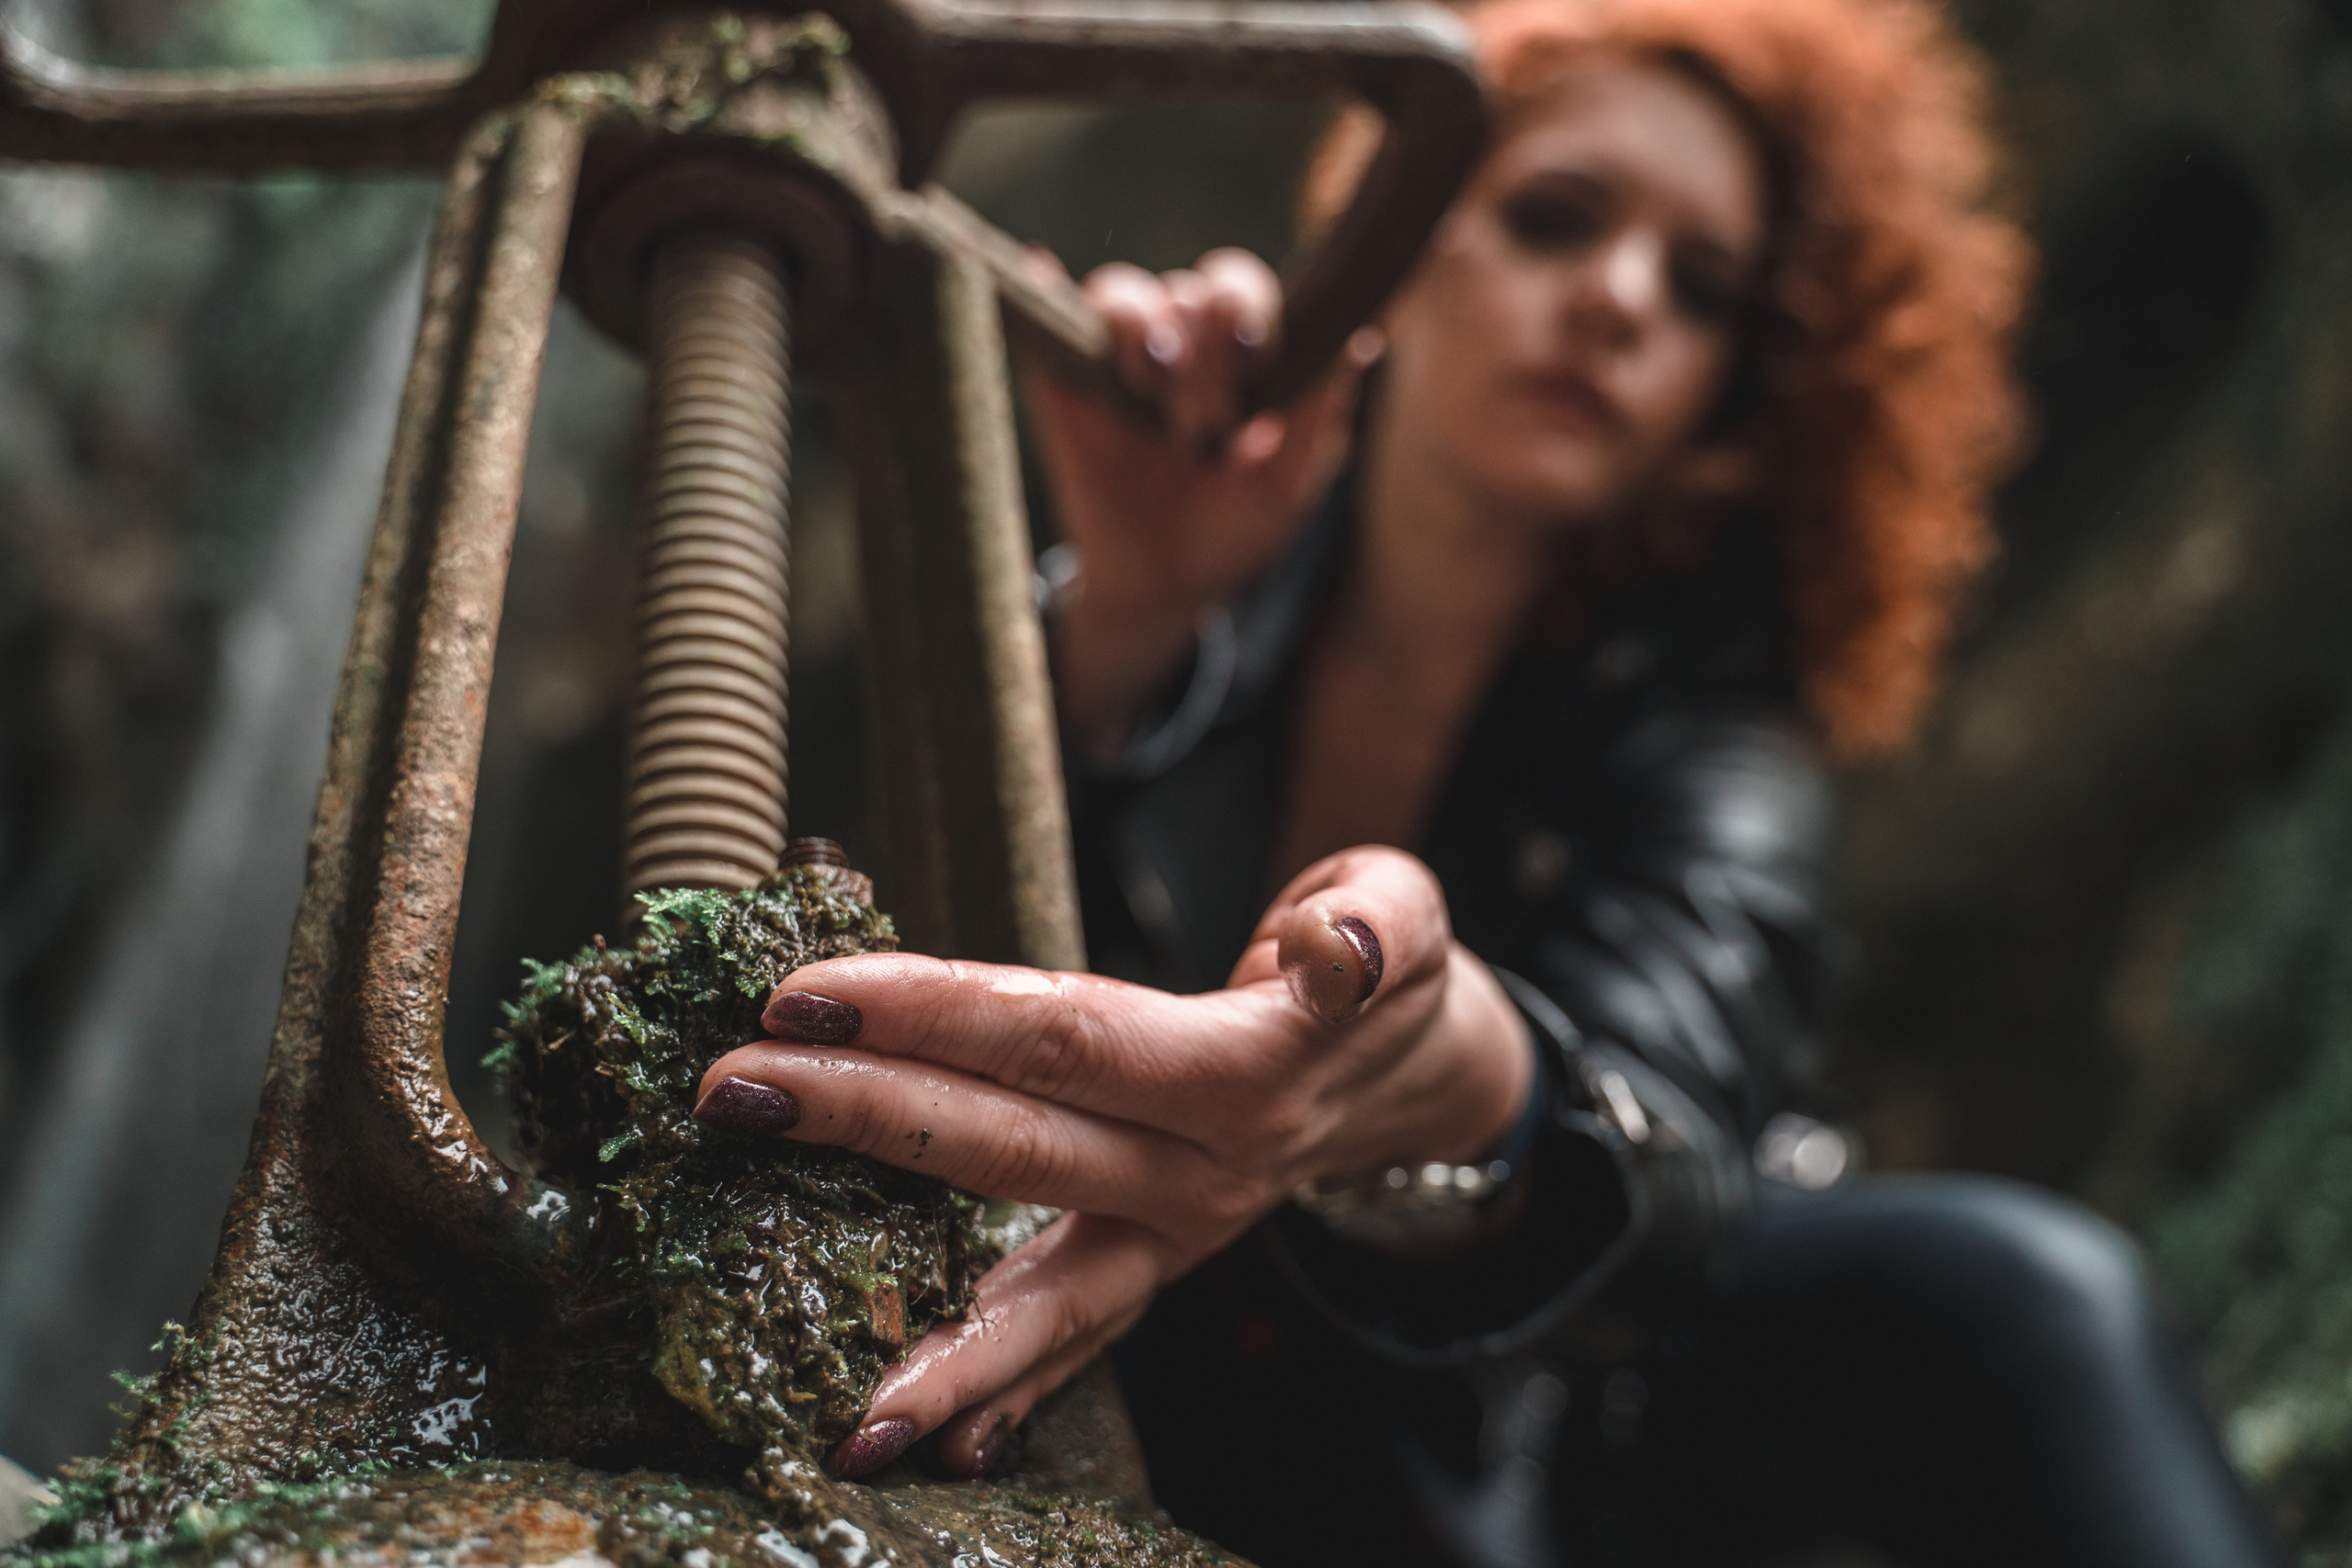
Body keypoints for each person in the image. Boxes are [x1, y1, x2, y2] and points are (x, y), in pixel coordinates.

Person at [691, 0, 2289, 1562]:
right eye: (1556, 217)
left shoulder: (1720, 706)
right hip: (1188, 1355)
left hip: (1585, 1421)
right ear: (1402, 239)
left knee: (2021, 1287)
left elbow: (1680, 1107)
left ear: (1735, 387)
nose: (1618, 297)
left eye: (1703, 286)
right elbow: (898, 942)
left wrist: (1460, 1086)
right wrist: (1123, 624)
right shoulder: (1202, 563)